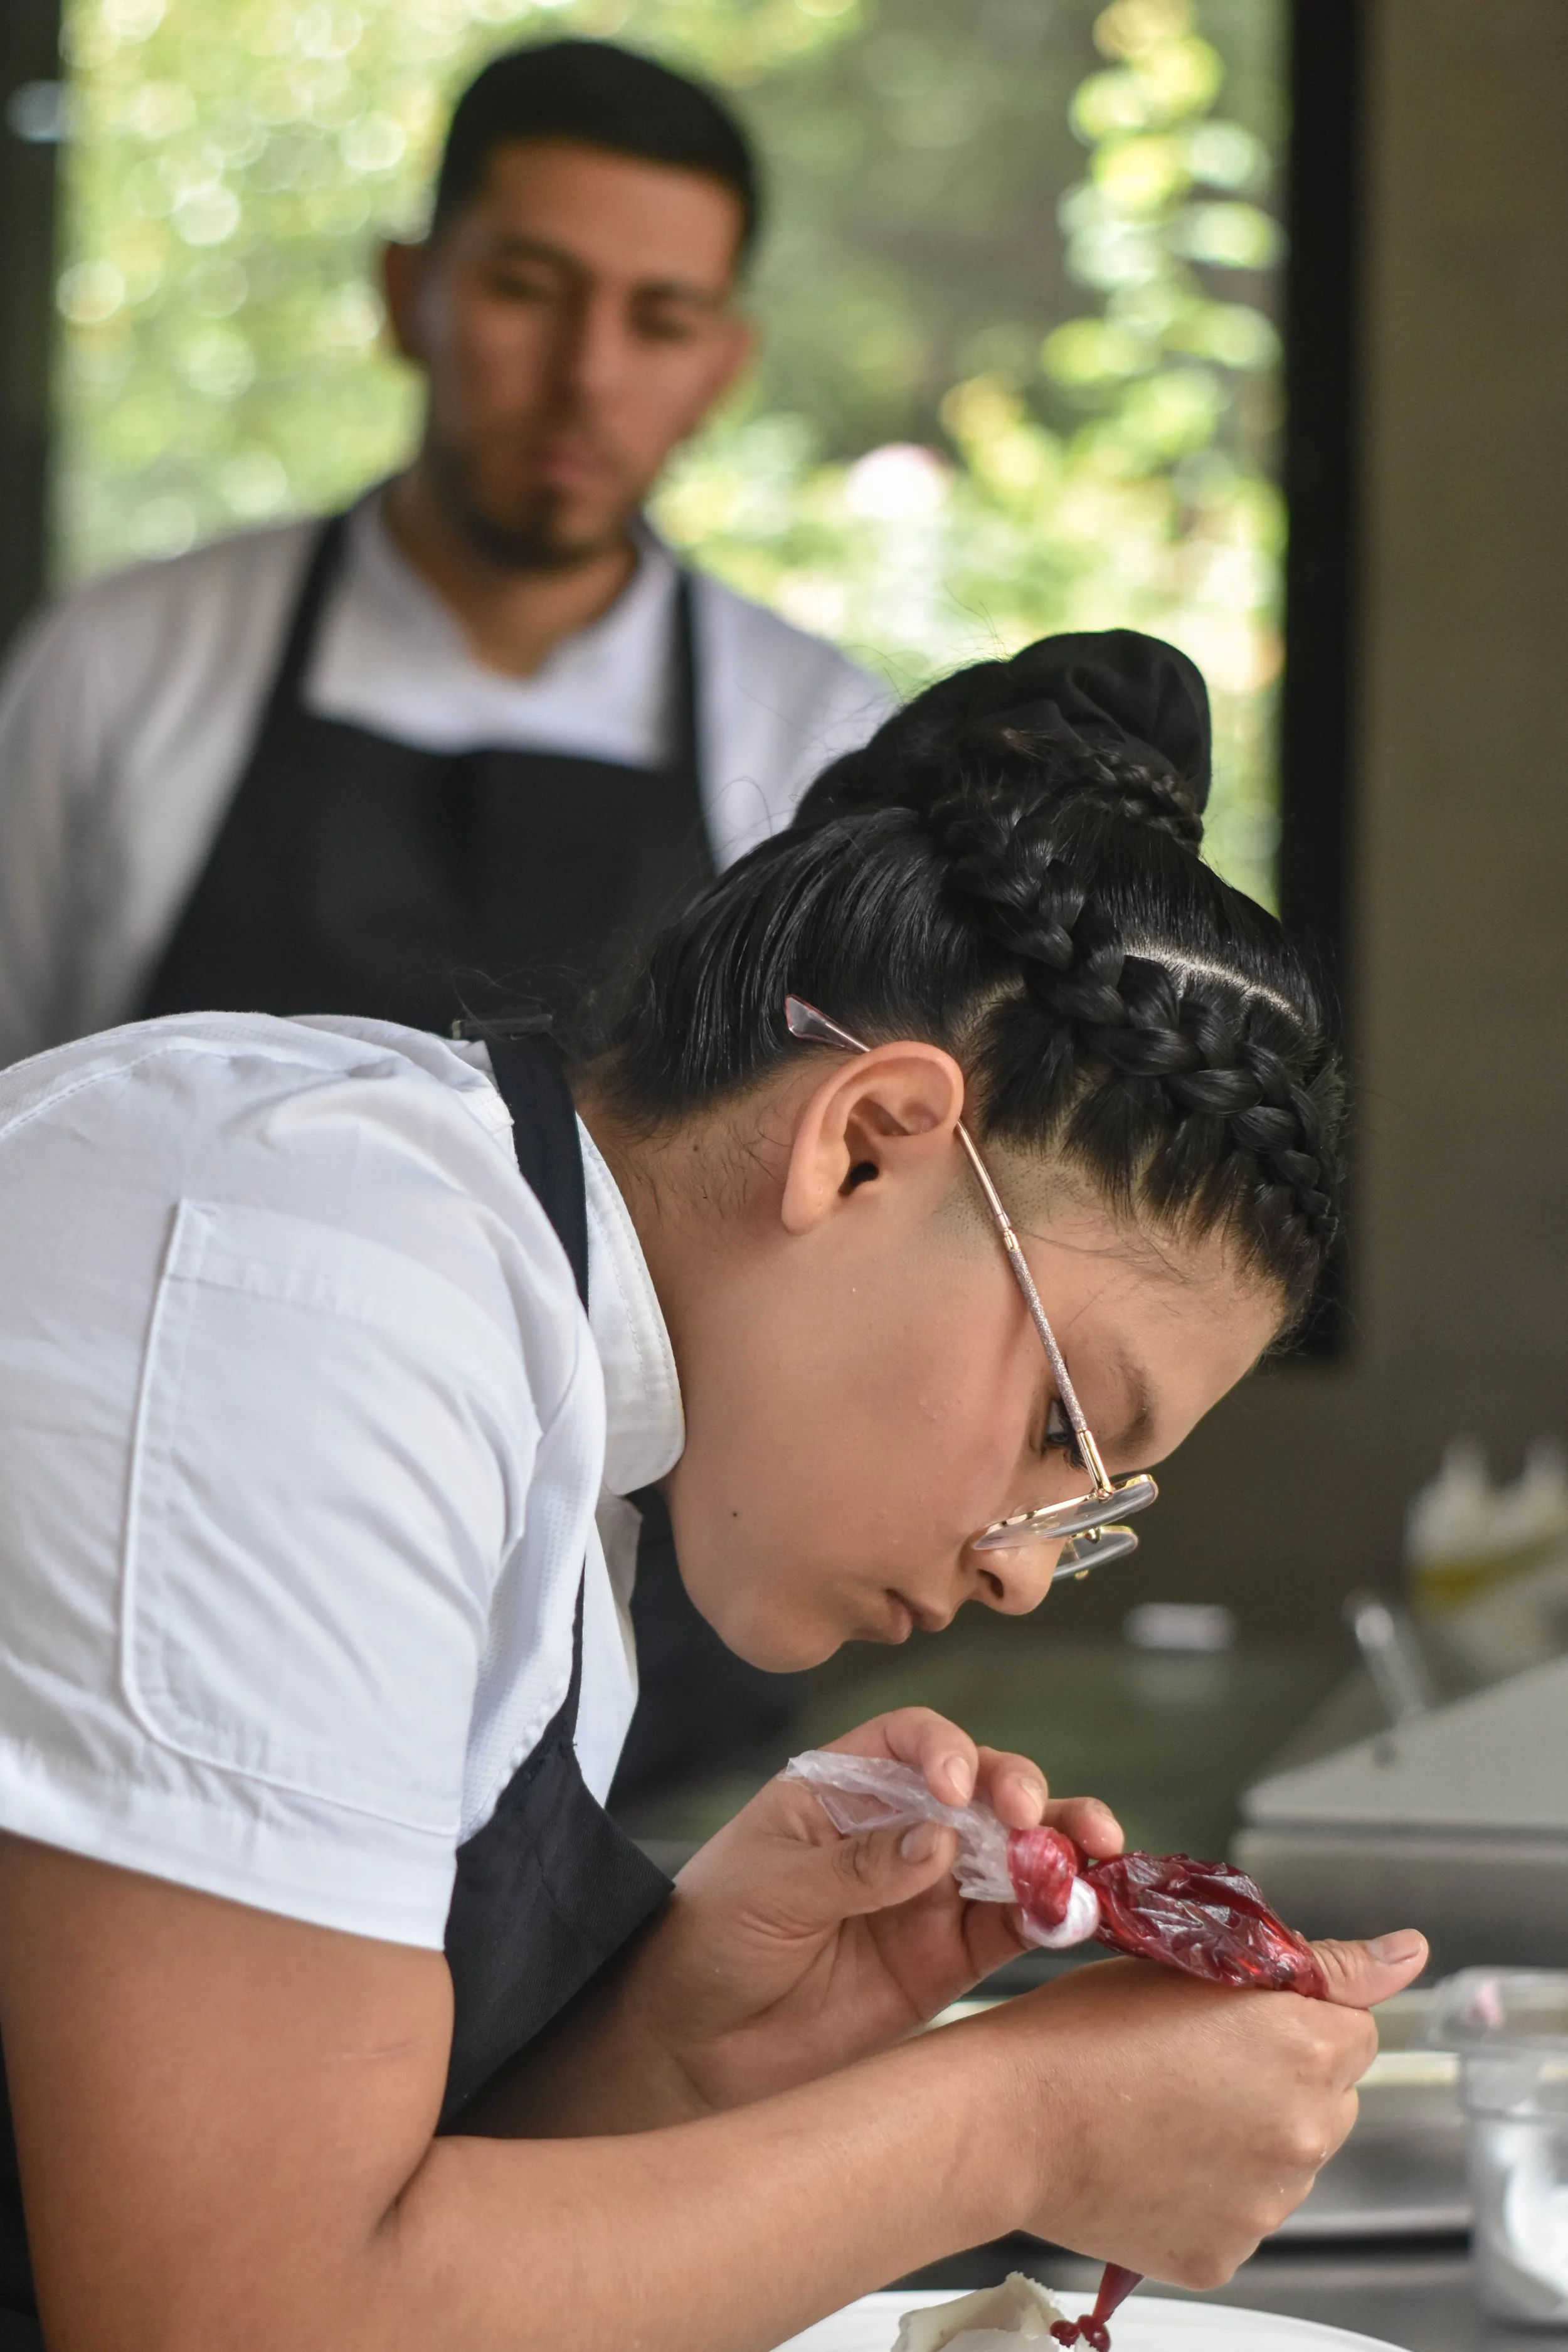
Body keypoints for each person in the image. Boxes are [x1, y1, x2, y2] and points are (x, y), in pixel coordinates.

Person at [0, 633, 1424, 2352]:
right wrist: (1009, 2125)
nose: (1027, 1572)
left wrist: (685, 2040)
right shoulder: (310, 1292)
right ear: (869, 1139)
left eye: (1093, 1498)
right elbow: (231, 2315)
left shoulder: (555, 1429)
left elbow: (387, 2227)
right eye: (1060, 1419)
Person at [0, 36, 892, 1793]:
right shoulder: (126, 672)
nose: (581, 375)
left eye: (655, 318)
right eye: (526, 290)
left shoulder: (816, 744)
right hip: (134, 1622)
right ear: (411, 293)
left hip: (634, 1695)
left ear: (720, 362)